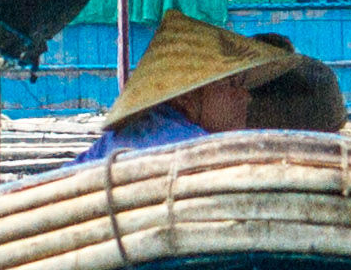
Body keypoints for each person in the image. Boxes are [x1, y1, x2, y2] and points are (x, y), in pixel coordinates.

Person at [68, 12, 301, 168]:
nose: (246, 95)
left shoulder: (135, 130)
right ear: (187, 96)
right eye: (232, 84)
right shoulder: (197, 153)